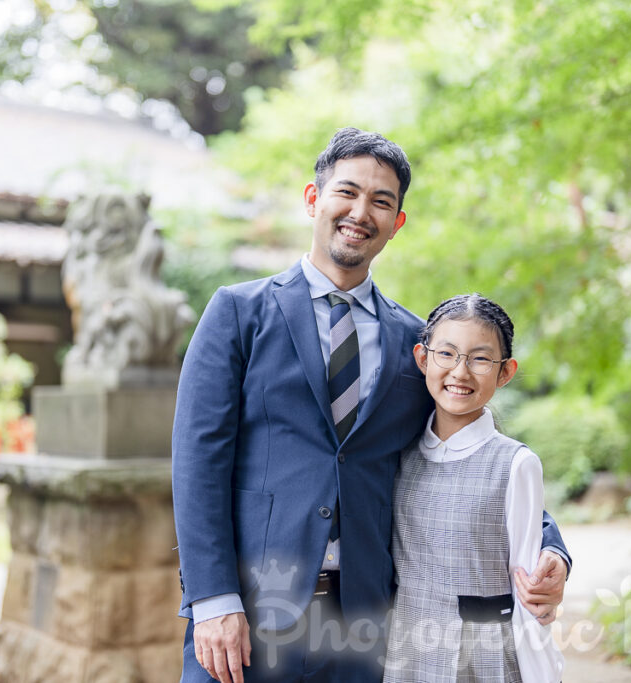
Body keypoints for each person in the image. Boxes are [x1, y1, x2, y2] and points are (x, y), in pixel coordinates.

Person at [171, 127, 570, 683]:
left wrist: (551, 546)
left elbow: (458, 451)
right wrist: (213, 598)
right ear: (314, 199)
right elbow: (197, 465)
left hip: (364, 625)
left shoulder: (416, 342)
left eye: (382, 202)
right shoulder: (239, 313)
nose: (362, 212)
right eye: (347, 192)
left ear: (396, 223)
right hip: (249, 614)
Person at [383, 294, 564, 682]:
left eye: (480, 359)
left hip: (484, 657)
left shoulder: (515, 464)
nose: (460, 372)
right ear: (422, 358)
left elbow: (528, 588)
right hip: (406, 650)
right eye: (446, 354)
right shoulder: (400, 454)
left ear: (505, 372)